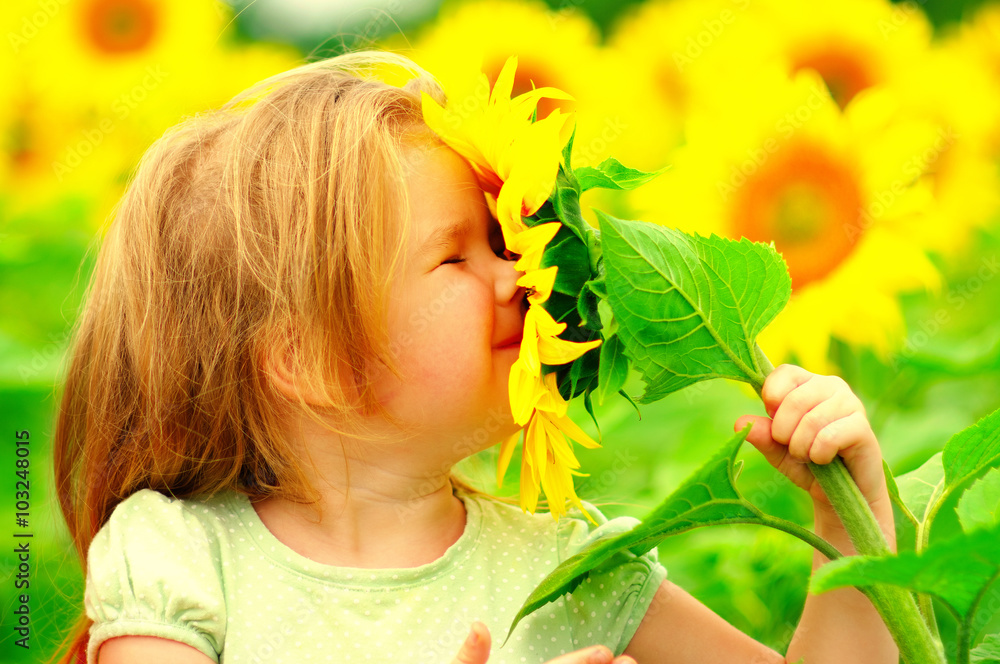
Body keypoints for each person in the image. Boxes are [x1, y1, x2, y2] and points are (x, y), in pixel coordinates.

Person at [52, 51, 898, 664]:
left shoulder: (567, 567)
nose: (521, 275)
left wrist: (849, 528)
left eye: (505, 242)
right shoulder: (184, 559)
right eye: (458, 256)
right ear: (308, 359)